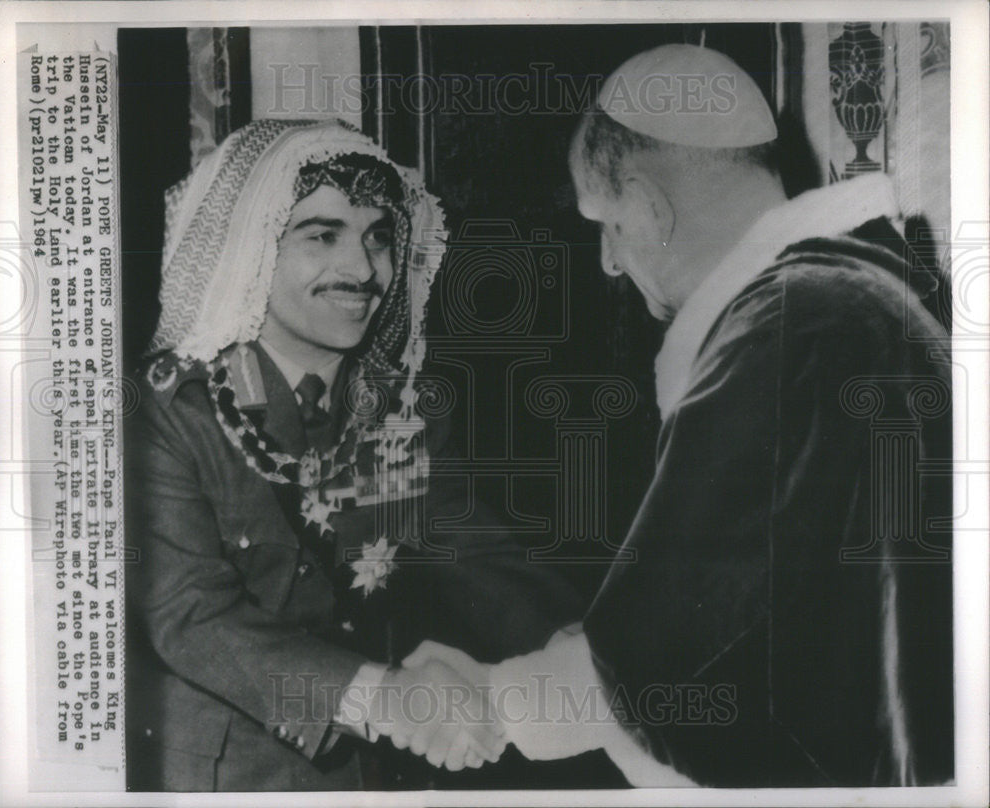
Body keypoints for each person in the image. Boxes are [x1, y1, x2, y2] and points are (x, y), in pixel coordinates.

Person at [405, 44, 954, 787]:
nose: (607, 259)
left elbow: (668, 647)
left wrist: (497, 705)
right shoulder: (858, 292)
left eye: (608, 223)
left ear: (652, 208)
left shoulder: (788, 325)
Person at [124, 118, 582, 791]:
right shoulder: (167, 410)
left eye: (379, 238)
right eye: (321, 235)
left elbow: (469, 551)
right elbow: (192, 618)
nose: (364, 269)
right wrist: (389, 697)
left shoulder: (401, 405)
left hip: (379, 774)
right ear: (251, 247)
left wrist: (575, 646)